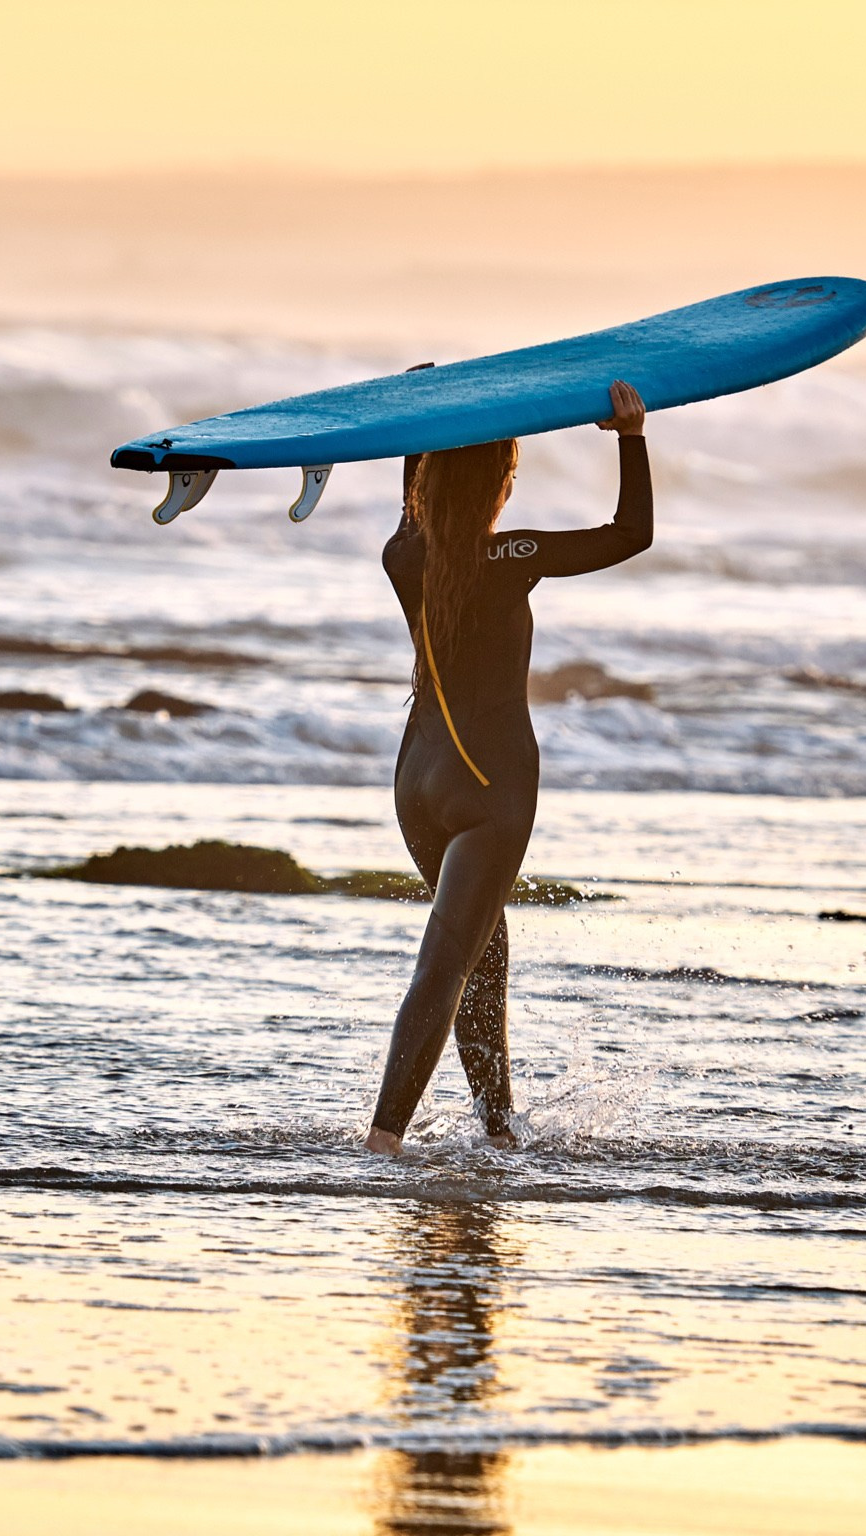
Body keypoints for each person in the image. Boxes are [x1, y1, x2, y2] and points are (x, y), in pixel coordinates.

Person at [366, 380, 650, 1154]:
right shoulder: (510, 555)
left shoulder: (403, 554)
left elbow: (415, 499)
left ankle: (498, 1129)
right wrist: (629, 435)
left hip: (415, 784)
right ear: (501, 483)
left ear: (423, 481)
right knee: (451, 959)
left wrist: (419, 419)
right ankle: (383, 1141)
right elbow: (631, 534)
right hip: (489, 788)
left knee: (480, 951)